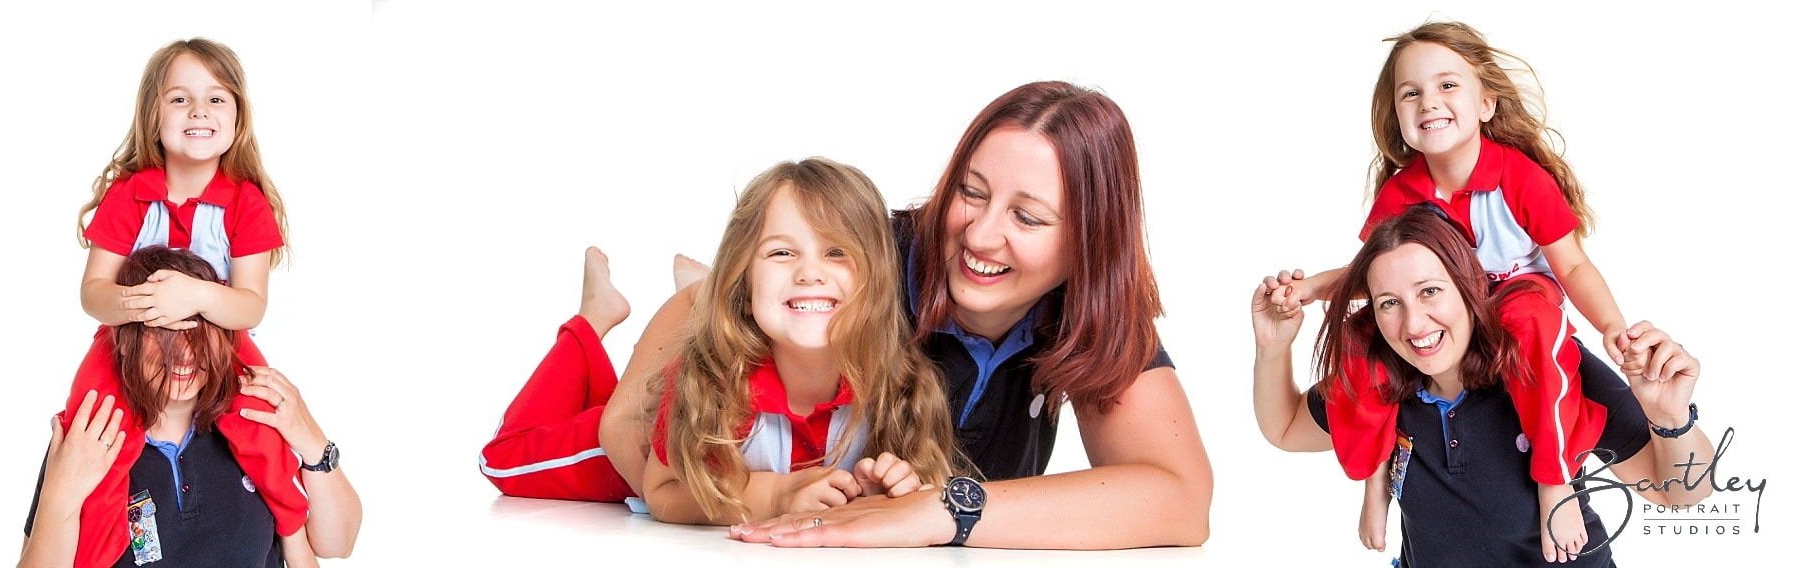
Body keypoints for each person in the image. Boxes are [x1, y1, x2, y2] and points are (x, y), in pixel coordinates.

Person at [607, 81, 1212, 548]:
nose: (980, 233)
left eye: (1027, 218)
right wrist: (760, 492)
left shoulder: (1092, 314)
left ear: (1090, 243)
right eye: (971, 192)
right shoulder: (867, 268)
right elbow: (688, 355)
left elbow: (1182, 500)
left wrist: (944, 508)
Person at [1261, 21, 1626, 559]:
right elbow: (1375, 274)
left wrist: (1612, 325)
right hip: (1444, 311)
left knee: (1532, 327)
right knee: (1364, 335)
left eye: (1447, 85)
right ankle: (1374, 481)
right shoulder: (1402, 191)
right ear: (1399, 117)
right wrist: (1314, 288)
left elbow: (1571, 267)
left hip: (1516, 299)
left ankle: (1554, 480)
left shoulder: (1520, 178)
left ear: (1485, 103)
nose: (1429, 101)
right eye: (1411, 93)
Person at [480, 159, 959, 525]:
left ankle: (698, 297)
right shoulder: (713, 382)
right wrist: (777, 497)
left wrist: (890, 489)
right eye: (782, 252)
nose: (811, 270)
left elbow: (905, 487)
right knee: (503, 457)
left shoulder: (895, 384)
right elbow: (663, 489)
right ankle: (593, 319)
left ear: (878, 285)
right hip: (633, 443)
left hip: (693, 375)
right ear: (744, 289)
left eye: (837, 252)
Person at [1251, 207, 1714, 567]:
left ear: (1470, 286)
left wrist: (1670, 419)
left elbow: (1679, 492)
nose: (1414, 322)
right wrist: (1273, 349)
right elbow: (1286, 428)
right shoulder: (1383, 381)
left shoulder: (1546, 369)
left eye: (1430, 291)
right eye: (1390, 302)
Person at [62, 38, 305, 566]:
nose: (199, 111)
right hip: (129, 344)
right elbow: (93, 293)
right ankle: (97, 546)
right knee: (91, 428)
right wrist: (145, 304)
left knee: (263, 425)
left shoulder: (247, 203)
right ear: (154, 116)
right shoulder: (129, 194)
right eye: (179, 99)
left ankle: (293, 533)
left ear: (238, 119)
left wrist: (194, 296)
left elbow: (250, 306)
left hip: (220, 345)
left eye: (217, 99)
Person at [21, 246, 360, 567]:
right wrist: (57, 499)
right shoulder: (88, 446)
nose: (183, 354)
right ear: (124, 343)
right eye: (161, 329)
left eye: (196, 326)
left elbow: (338, 544)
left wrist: (314, 443)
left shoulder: (256, 429)